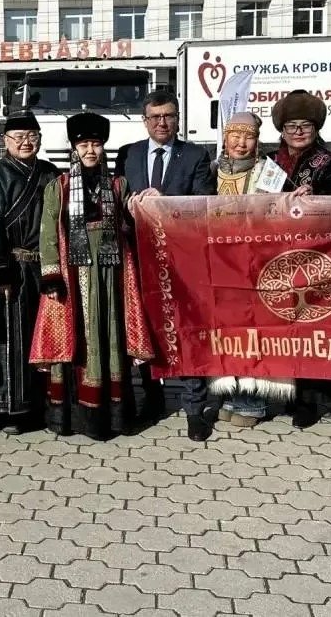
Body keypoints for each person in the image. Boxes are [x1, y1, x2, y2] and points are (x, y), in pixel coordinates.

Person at [32, 112, 156, 440]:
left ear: (104, 148)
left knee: (110, 336)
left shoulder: (118, 184)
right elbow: (47, 233)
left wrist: (143, 206)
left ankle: (112, 415)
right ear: (74, 148)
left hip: (111, 275)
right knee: (77, 340)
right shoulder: (57, 187)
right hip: (73, 279)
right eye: (84, 144)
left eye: (96, 144)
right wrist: (51, 274)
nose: (90, 150)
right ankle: (75, 417)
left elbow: (129, 224)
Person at [113, 91, 215, 430]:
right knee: (144, 329)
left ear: (177, 119)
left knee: (187, 331)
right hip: (139, 257)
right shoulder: (128, 154)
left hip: (180, 258)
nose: (162, 122)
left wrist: (165, 202)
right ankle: (153, 398)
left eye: (169, 116)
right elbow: (117, 195)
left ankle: (194, 407)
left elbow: (203, 201)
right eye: (155, 117)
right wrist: (126, 205)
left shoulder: (196, 155)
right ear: (145, 120)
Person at [0, 111, 60, 434]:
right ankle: (10, 408)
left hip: (44, 265)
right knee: (11, 338)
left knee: (46, 336)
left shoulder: (50, 173)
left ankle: (48, 403)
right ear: (5, 141)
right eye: (18, 137)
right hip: (11, 268)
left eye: (32, 137)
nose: (26, 142)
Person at [209, 111, 297, 430]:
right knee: (227, 333)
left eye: (248, 137)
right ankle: (230, 395)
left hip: (257, 267)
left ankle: (253, 401)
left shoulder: (269, 173)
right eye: (235, 136)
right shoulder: (212, 171)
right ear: (225, 138)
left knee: (253, 334)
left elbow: (281, 215)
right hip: (220, 267)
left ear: (257, 142)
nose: (241, 143)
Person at [270, 89, 331, 428]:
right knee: (281, 326)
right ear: (282, 130)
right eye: (291, 126)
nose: (298, 131)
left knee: (315, 327)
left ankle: (311, 399)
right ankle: (285, 391)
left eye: (305, 125)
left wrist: (316, 198)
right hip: (276, 255)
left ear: (316, 128)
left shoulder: (330, 164)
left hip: (317, 257)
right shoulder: (270, 163)